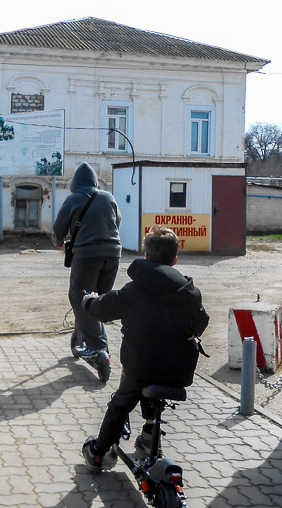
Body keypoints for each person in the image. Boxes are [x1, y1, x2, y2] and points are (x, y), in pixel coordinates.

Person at [80, 226, 210, 471]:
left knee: (120, 404)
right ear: (175, 260)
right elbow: (201, 323)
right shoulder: (190, 292)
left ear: (146, 256)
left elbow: (102, 309)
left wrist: (88, 301)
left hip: (140, 366)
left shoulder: (134, 290)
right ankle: (150, 433)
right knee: (154, 386)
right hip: (179, 370)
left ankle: (97, 453)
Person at [53, 162, 122, 382]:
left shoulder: (73, 199)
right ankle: (88, 335)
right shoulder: (109, 197)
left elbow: (58, 229)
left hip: (87, 256)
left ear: (75, 184)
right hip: (113, 255)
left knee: (79, 298)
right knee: (98, 300)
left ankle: (99, 348)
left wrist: (58, 241)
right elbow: (117, 222)